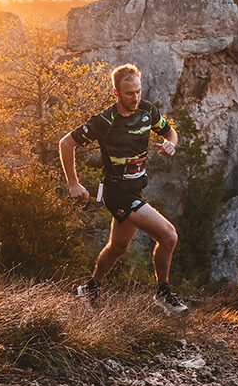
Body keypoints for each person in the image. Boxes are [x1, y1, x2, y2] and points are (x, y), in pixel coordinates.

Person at [58, 63, 188, 315]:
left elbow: (171, 133)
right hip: (118, 193)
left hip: (136, 189)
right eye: (129, 93)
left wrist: (171, 144)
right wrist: (73, 183)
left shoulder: (147, 111)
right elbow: (66, 143)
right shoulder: (104, 121)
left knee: (118, 247)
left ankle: (91, 289)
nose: (136, 98)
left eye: (138, 91)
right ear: (116, 93)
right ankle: (163, 294)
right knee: (169, 236)